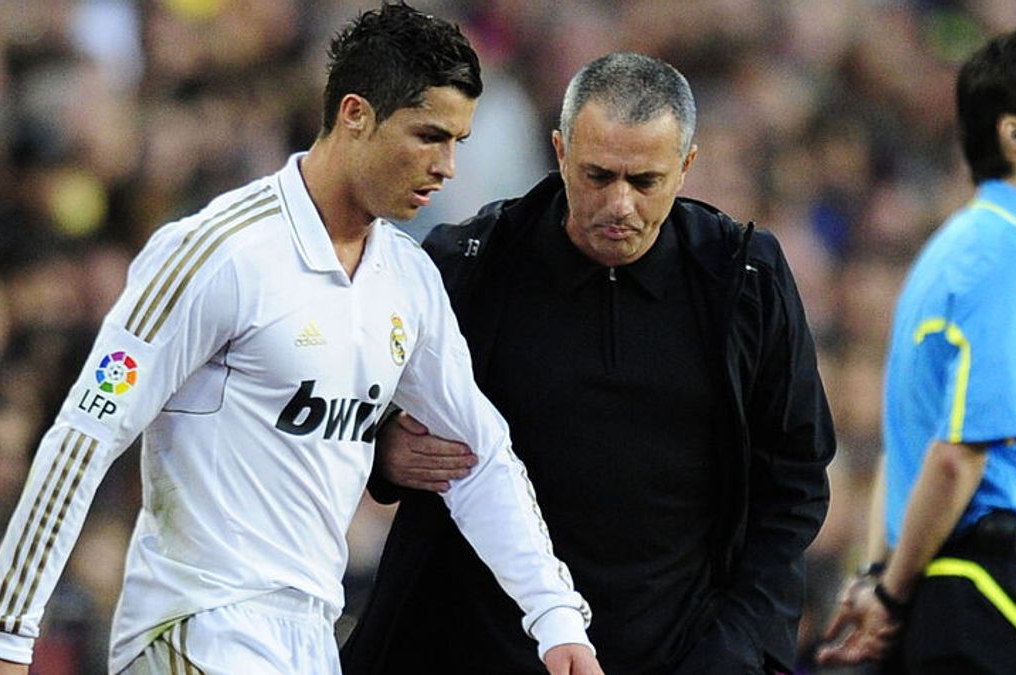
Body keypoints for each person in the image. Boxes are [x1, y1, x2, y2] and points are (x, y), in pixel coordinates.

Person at [0, 4, 602, 675]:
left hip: (310, 636)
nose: (447, 167)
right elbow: (88, 431)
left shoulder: (408, 280)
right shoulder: (218, 251)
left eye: (458, 141)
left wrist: (556, 617)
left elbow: (479, 456)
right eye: (429, 136)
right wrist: (2, 630)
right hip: (193, 627)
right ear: (355, 115)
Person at [341, 52, 835, 675]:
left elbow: (793, 481)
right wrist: (383, 446)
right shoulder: (470, 266)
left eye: (645, 181)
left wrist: (739, 646)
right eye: (598, 176)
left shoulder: (744, 281)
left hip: (680, 655)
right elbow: (336, 397)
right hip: (480, 646)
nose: (620, 204)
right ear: (560, 151)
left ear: (686, 166)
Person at [817, 25, 1016, 674]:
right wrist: (890, 592)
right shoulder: (1003, 255)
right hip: (994, 596)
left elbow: (904, 450)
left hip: (950, 590)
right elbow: (955, 455)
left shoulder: (945, 253)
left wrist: (878, 578)